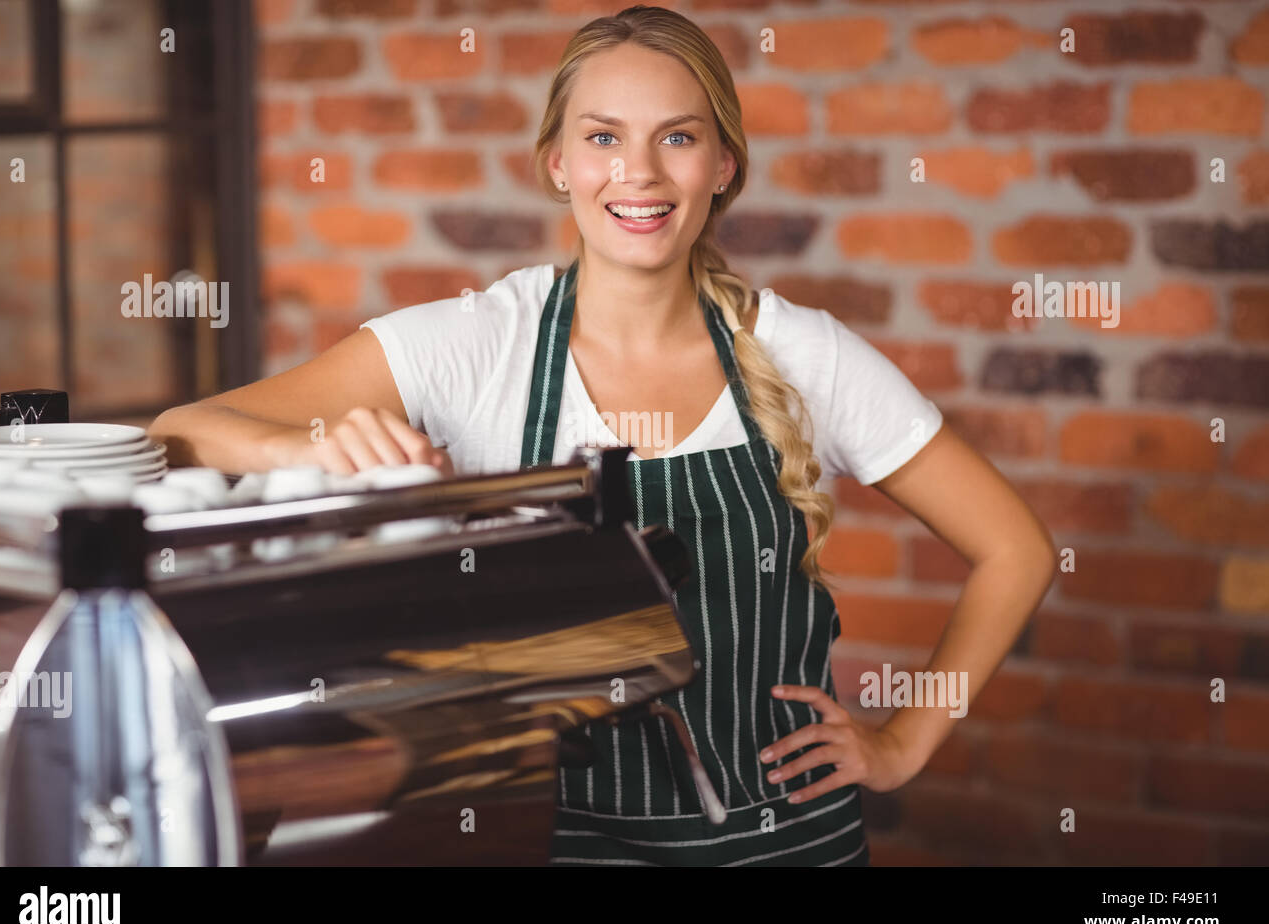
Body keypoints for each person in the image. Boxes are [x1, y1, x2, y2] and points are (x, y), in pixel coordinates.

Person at [150, 5, 1057, 866]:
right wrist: (314, 449)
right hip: (544, 838)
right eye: (602, 137)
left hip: (785, 839)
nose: (641, 174)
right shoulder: (479, 345)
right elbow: (182, 431)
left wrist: (902, 741)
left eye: (677, 136)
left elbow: (1015, 549)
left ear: (724, 165)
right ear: (556, 162)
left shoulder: (801, 352)